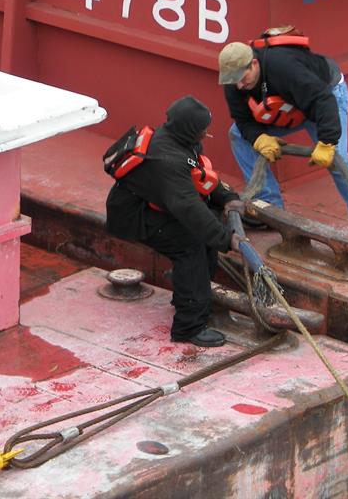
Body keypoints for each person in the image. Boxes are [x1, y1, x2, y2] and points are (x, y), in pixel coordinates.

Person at [105, 95, 245, 348]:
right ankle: (188, 326)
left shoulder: (180, 140)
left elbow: (198, 174)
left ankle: (193, 296)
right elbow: (189, 208)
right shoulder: (166, 159)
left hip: (156, 204)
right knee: (190, 246)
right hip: (135, 215)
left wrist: (226, 197)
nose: (205, 135)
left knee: (205, 234)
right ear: (190, 129)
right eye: (203, 130)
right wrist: (227, 239)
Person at [218, 36, 348, 241]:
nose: (238, 85)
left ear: (254, 64)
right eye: (232, 80)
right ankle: (269, 208)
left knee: (339, 159)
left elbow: (323, 101)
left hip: (324, 98)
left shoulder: (284, 68)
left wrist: (327, 143)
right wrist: (259, 138)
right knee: (238, 135)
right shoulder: (234, 83)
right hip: (288, 106)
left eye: (242, 78)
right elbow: (243, 120)